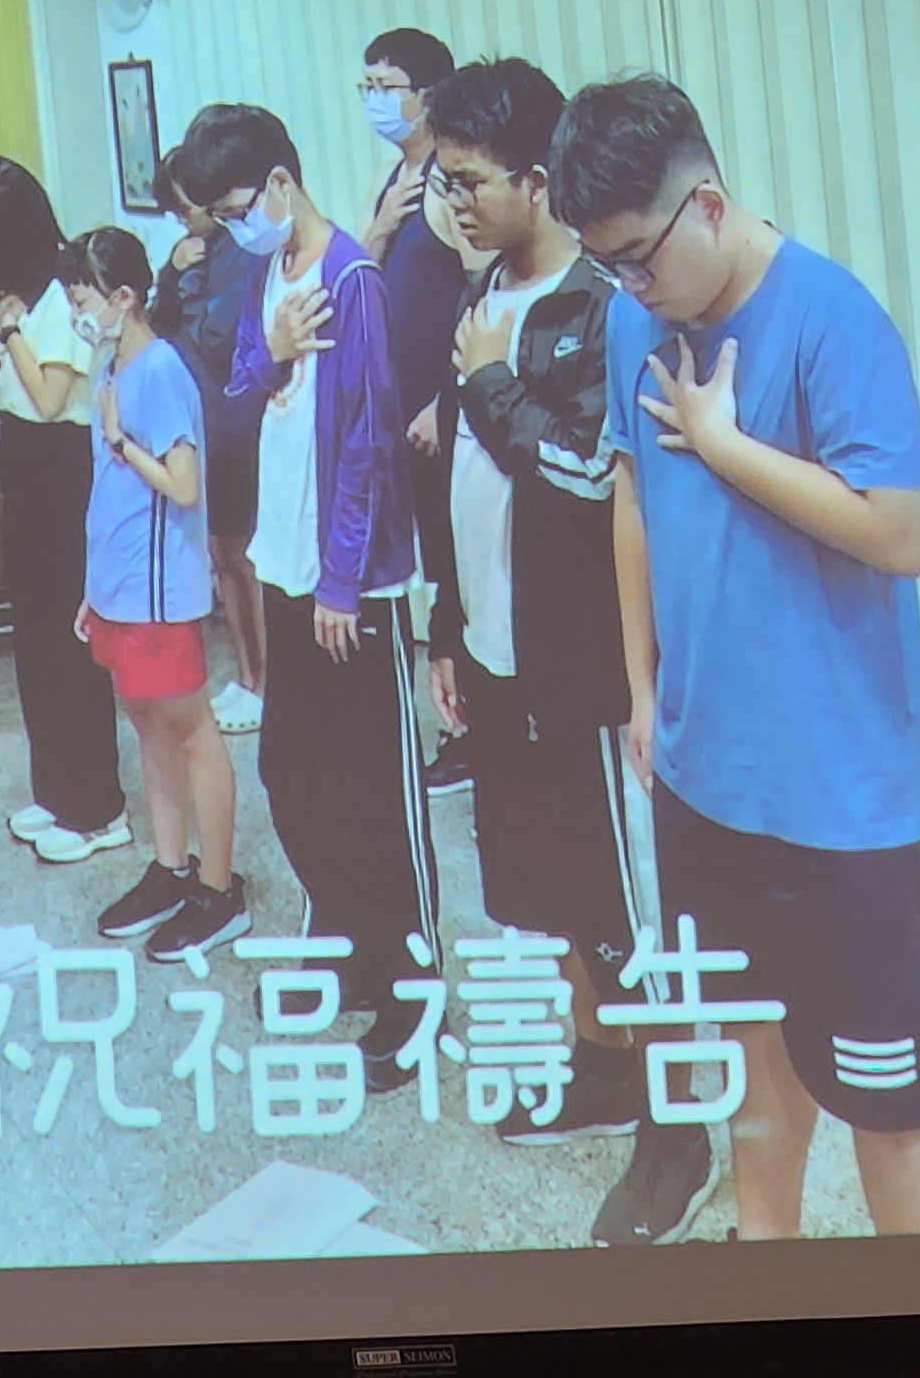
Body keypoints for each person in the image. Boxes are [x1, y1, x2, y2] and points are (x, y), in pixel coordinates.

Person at [548, 74, 920, 1246]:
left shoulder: (833, 320)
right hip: (702, 778)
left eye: (638, 258)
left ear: (708, 205)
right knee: (749, 1068)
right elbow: (632, 494)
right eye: (605, 266)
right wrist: (642, 685)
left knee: (890, 1103)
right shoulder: (635, 319)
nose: (628, 287)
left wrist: (725, 445)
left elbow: (903, 532)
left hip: (840, 800)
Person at [166, 105, 427, 1081]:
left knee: (373, 792)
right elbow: (241, 392)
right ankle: (354, 949)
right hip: (285, 564)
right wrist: (271, 347)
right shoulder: (268, 272)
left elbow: (369, 438)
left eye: (239, 206)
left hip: (345, 583)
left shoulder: (352, 278)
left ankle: (410, 991)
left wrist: (344, 579)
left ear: (281, 182)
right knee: (295, 771)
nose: (234, 227)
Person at [419, 60, 646, 1150]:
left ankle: (663, 1114)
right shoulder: (481, 296)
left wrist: (488, 383)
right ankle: (596, 1066)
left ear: (538, 181)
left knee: (610, 898)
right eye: (444, 181)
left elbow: (584, 479)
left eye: (470, 182)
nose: (453, 205)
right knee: (536, 887)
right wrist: (445, 630)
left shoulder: (597, 309)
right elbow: (453, 478)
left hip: (575, 663)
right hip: (491, 646)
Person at [60, 227, 253, 959]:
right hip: (118, 587)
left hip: (160, 591)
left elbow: (184, 485)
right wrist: (95, 586)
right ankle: (171, 867)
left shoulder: (162, 370)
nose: (77, 315)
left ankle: (219, 887)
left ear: (123, 297)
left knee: (189, 728)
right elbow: (106, 492)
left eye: (82, 300)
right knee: (145, 722)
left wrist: (121, 440)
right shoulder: (111, 366)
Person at [0, 157, 129, 864]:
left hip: (62, 475)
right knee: (32, 637)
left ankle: (98, 809)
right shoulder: (26, 298)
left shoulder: (63, 295)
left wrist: (9, 334)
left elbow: (53, 397)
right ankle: (56, 790)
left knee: (68, 641)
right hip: (25, 468)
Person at [360, 27, 476, 796]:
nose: (375, 100)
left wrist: (445, 398)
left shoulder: (447, 183)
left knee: (456, 572)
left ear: (429, 96)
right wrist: (374, 231)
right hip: (396, 417)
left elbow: (481, 289)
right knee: (431, 571)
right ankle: (454, 718)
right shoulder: (394, 182)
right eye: (366, 87)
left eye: (388, 87)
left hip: (443, 418)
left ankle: (470, 733)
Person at [152, 186, 273, 735]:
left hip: (235, 422)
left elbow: (217, 336)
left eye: (186, 207)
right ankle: (247, 676)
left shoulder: (243, 249)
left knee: (245, 556)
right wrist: (172, 274)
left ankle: (267, 683)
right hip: (203, 421)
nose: (181, 219)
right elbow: (160, 323)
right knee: (222, 553)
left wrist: (186, 291)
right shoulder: (191, 253)